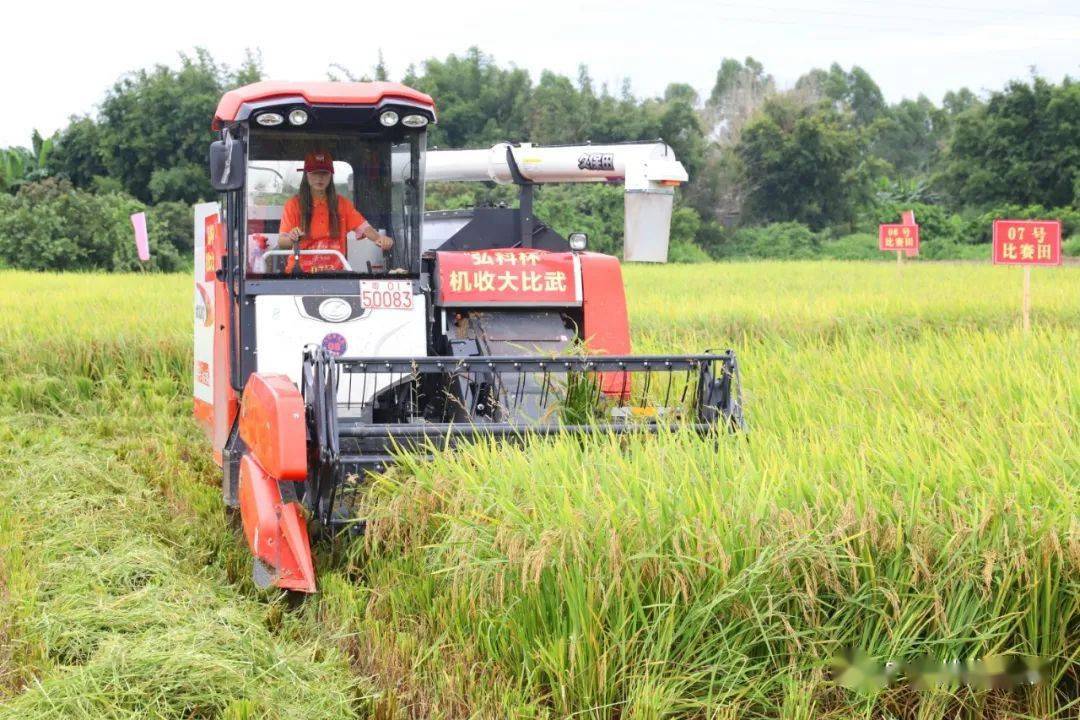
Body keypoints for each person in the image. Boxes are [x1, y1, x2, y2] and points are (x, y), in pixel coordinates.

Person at [277, 151, 393, 273]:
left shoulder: (343, 204)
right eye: (315, 173)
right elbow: (282, 242)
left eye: (324, 173)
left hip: (335, 275)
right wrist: (292, 237)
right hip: (300, 274)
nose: (319, 178)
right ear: (306, 175)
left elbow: (364, 227)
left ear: (330, 176)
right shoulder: (293, 205)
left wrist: (380, 238)